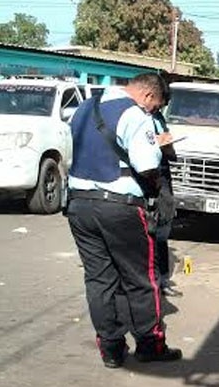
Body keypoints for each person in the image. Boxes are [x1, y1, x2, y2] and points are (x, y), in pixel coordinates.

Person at [65, 73, 182, 369]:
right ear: (147, 96)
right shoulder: (135, 114)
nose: (153, 112)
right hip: (120, 207)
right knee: (141, 278)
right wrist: (158, 167)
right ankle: (150, 344)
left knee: (99, 279)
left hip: (79, 204)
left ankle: (111, 349)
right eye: (155, 106)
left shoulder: (84, 107)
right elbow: (146, 165)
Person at [152, 100, 182, 298]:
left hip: (160, 179)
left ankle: (161, 280)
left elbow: (171, 153)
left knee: (161, 233)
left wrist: (167, 146)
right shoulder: (139, 118)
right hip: (148, 179)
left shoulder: (158, 118)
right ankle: (154, 281)